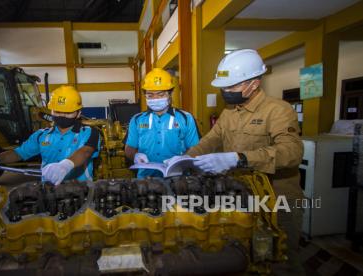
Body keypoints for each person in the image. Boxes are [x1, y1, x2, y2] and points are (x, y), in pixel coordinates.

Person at [186, 49, 304, 274]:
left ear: (254, 83)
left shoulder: (278, 110)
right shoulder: (229, 112)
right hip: (240, 195)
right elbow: (210, 140)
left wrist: (239, 159)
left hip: (278, 201)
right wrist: (184, 158)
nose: (226, 91)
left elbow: (291, 152)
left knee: (282, 260)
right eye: (224, 87)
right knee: (243, 254)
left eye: (232, 86)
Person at [0, 85, 100, 185]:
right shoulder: (41, 136)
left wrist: (66, 165)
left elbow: (85, 152)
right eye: (57, 111)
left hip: (81, 191)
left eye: (68, 113)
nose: (62, 116)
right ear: (51, 111)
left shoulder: (89, 132)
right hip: (49, 190)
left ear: (78, 114)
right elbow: (19, 153)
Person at [125, 68, 200, 178]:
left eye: (160, 94)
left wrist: (182, 159)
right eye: (150, 95)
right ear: (145, 95)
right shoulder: (137, 120)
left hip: (179, 178)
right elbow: (129, 148)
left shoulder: (186, 118)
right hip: (146, 179)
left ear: (170, 94)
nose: (155, 99)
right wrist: (135, 155)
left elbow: (196, 148)